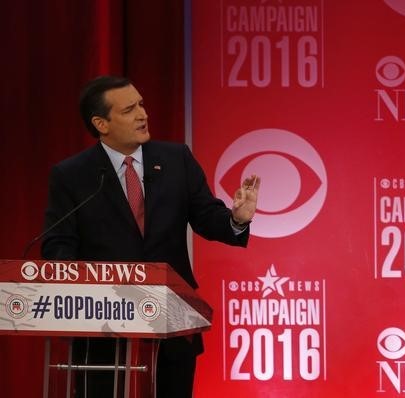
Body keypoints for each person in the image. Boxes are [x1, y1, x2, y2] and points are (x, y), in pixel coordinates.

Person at [41, 75, 261, 397]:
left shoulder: (176, 160)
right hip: (103, 330)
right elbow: (58, 243)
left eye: (141, 104)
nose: (143, 114)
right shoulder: (72, 175)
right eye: (130, 109)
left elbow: (206, 218)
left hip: (172, 323)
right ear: (101, 123)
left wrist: (236, 219)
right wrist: (77, 282)